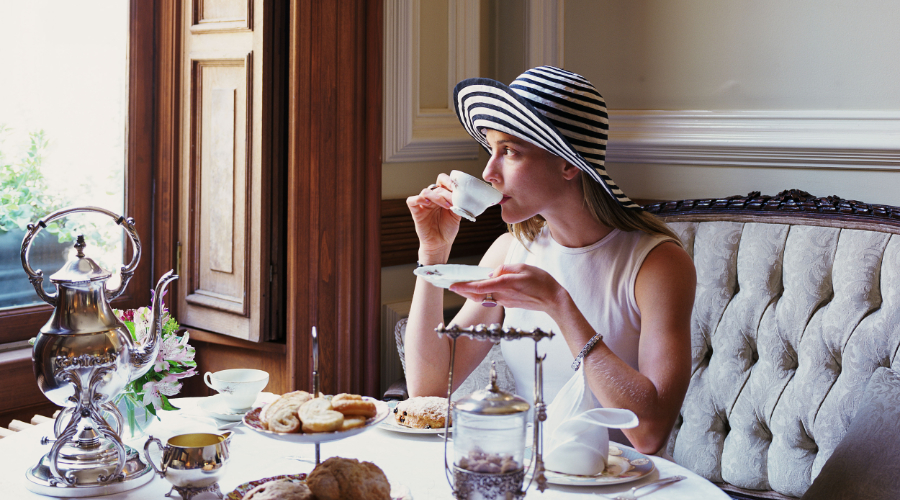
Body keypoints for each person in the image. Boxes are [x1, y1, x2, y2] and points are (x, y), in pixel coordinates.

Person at [404, 66, 696, 455]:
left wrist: (559, 304)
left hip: (618, 480)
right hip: (530, 474)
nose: (489, 172)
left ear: (568, 164)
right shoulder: (511, 249)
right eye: (491, 150)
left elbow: (649, 433)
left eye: (510, 151)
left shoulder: (656, 264)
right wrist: (433, 252)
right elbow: (429, 387)